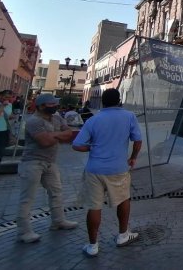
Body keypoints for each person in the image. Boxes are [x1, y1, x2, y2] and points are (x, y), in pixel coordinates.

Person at [72, 88, 142, 257]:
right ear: (119, 101)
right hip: (118, 168)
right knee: (124, 199)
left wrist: (92, 148)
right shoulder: (129, 116)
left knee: (94, 206)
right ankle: (123, 235)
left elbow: (77, 145)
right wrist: (133, 157)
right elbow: (137, 140)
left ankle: (92, 245)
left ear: (102, 102)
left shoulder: (93, 120)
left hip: (94, 169)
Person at [16, 93, 78, 243]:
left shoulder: (56, 117)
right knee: (27, 198)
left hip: (51, 162)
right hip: (32, 162)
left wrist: (53, 135)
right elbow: (45, 141)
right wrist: (58, 136)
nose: (55, 107)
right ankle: (24, 231)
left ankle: (58, 220)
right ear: (41, 106)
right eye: (51, 104)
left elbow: (69, 133)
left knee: (56, 192)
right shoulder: (33, 121)